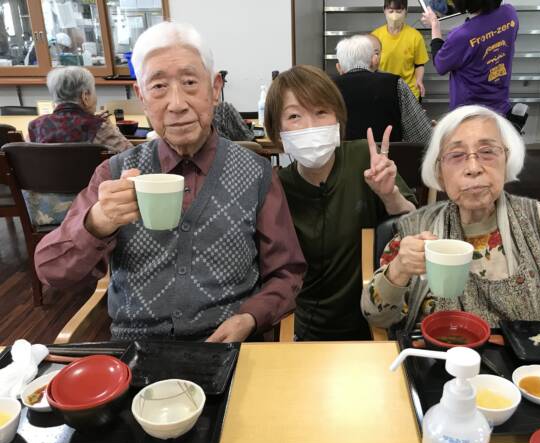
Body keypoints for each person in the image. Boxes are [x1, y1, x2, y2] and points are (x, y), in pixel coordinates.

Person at [34, 22, 306, 342]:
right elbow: (51, 271)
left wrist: (250, 317)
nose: (176, 104)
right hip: (136, 353)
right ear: (141, 95)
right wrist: (96, 223)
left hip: (229, 352)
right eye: (159, 86)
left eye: (190, 83)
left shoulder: (256, 173)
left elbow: (287, 273)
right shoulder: (115, 173)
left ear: (214, 89)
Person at [361, 105, 540, 341]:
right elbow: (376, 315)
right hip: (442, 373)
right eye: (457, 155)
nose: (473, 167)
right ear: (439, 172)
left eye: (487, 152)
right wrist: (398, 270)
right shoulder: (416, 229)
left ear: (506, 159)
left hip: (536, 375)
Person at [264, 65, 417, 341]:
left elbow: (412, 221)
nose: (311, 126)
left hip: (373, 322)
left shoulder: (364, 159)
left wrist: (389, 194)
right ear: (277, 131)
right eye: (295, 116)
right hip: (303, 330)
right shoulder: (277, 188)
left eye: (321, 112)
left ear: (338, 118)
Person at [25, 66, 132, 226]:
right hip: (93, 210)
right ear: (85, 96)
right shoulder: (99, 126)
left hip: (43, 211)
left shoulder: (35, 126)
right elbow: (132, 155)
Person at [421, 0, 518, 116]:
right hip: (500, 109)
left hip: (468, 114)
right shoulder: (510, 14)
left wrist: (434, 25)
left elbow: (440, 65)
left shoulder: (462, 35)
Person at [334, 34, 432, 144]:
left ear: (339, 67)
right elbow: (421, 136)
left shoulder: (330, 87)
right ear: (374, 60)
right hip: (389, 154)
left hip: (343, 155)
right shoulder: (395, 83)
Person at [372, 0, 429, 100]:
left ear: (406, 12)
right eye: (391, 11)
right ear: (384, 11)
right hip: (383, 91)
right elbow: (370, 65)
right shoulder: (375, 36)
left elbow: (419, 64)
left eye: (399, 11)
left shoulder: (415, 36)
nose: (394, 16)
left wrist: (419, 80)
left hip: (409, 92)